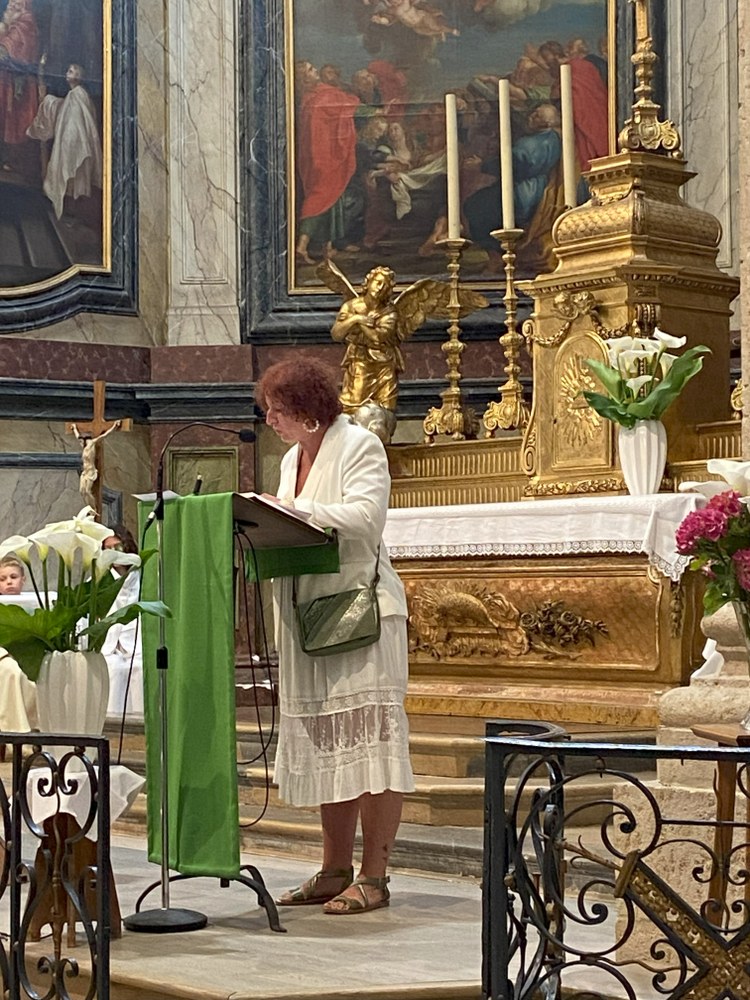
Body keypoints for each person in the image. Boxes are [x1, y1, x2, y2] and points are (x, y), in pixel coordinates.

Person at [256, 358, 414, 914]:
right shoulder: (290, 458)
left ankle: (375, 876)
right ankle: (334, 869)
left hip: (362, 615)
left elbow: (367, 519)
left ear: (308, 410)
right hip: (308, 614)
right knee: (331, 743)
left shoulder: (359, 445)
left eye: (277, 409)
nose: (270, 420)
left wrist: (291, 509)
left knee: (371, 744)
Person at [295, 61, 361, 264]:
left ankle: (328, 246)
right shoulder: (318, 98)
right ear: (304, 78)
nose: (315, 71)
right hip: (323, 157)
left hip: (325, 156)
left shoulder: (316, 95)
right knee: (320, 198)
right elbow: (347, 107)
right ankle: (301, 246)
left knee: (333, 199)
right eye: (311, 70)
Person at [26, 63, 103, 221]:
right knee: (72, 180)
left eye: (71, 71)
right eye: (68, 70)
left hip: (74, 143)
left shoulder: (77, 95)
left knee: (71, 176)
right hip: (75, 142)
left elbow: (76, 120)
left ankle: (72, 212)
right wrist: (49, 101)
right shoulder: (75, 95)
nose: (67, 73)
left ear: (78, 77)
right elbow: (64, 109)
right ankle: (70, 212)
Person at [331, 265, 403, 413]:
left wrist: (360, 323)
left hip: (384, 365)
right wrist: (356, 318)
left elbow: (377, 338)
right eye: (378, 282)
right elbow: (336, 334)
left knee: (385, 410)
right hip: (360, 361)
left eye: (385, 285)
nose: (380, 288)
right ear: (368, 283)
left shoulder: (390, 312)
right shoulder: (351, 306)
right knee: (354, 405)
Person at [101, 524, 143, 718]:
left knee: (139, 668)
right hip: (110, 643)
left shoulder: (142, 577)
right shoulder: (100, 579)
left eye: (116, 547)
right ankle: (112, 721)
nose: (113, 553)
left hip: (136, 640)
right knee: (113, 669)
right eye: (107, 549)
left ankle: (140, 719)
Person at [0, 555, 38, 736]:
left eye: (13, 577)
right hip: (3, 655)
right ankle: (14, 733)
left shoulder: (36, 602)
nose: (8, 582)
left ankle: (37, 731)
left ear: (23, 579)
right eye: (2, 579)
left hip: (30, 654)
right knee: (12, 672)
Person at [71, 419, 121, 509]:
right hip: (85, 472)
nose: (81, 442)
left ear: (86, 440)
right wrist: (74, 428)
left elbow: (104, 435)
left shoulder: (92, 443)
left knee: (88, 491)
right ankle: (88, 507)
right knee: (82, 491)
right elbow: (77, 436)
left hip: (91, 471)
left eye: (82, 440)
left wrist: (114, 426)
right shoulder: (84, 447)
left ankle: (94, 508)